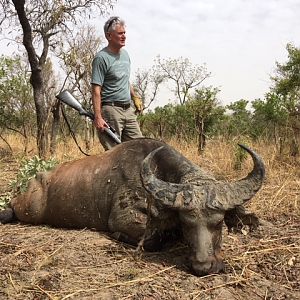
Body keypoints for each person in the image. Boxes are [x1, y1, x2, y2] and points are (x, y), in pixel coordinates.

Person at [91, 16, 143, 150]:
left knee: (139, 149)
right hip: (111, 111)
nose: (124, 36)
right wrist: (98, 117)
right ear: (109, 35)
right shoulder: (101, 58)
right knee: (114, 154)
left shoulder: (125, 55)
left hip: (128, 110)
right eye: (120, 33)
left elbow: (125, 80)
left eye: (124, 33)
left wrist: (135, 97)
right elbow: (96, 89)